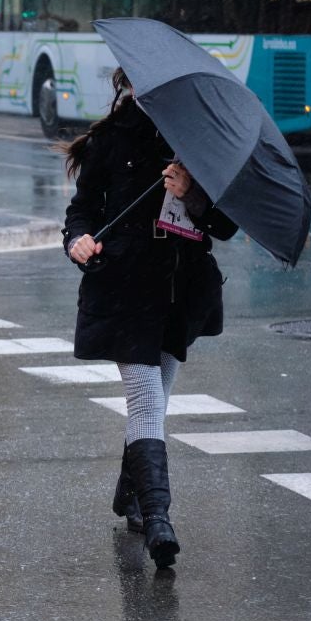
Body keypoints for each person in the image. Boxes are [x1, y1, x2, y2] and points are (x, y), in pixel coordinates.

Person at [62, 68, 238, 569]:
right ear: (130, 84)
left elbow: (225, 226)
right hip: (125, 284)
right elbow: (81, 210)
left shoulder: (199, 142)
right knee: (145, 398)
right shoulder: (110, 139)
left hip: (181, 289)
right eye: (140, 81)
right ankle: (159, 517)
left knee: (156, 400)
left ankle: (133, 494)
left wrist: (192, 194)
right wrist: (77, 241)